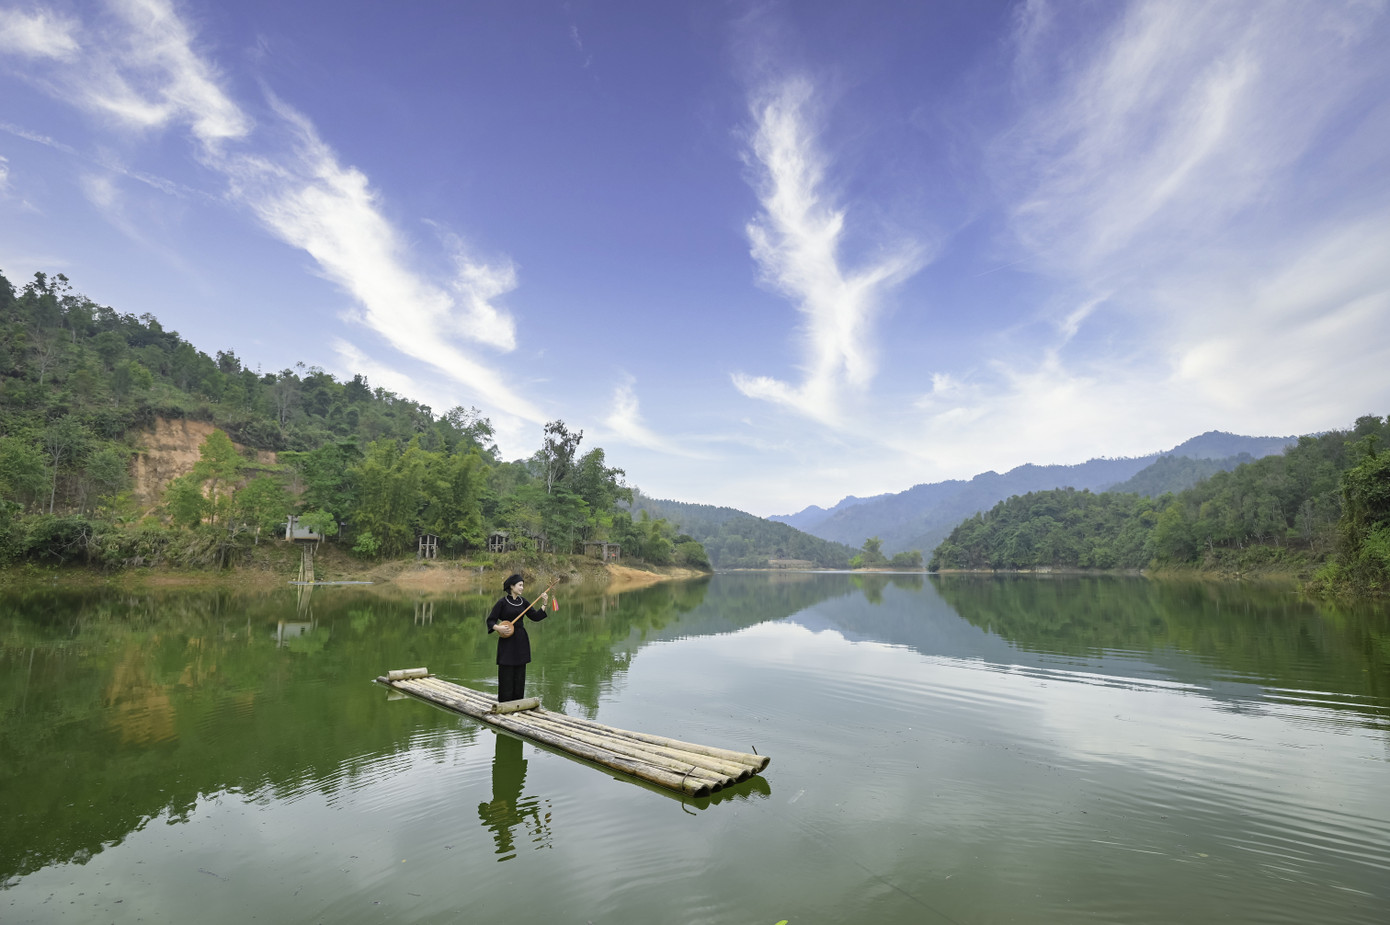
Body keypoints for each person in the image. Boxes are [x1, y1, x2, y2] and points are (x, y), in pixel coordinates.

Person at [486, 573, 549, 702]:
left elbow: (535, 617)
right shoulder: (502, 603)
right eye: (520, 585)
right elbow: (490, 621)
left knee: (520, 672)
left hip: (521, 640)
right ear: (512, 586)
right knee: (506, 672)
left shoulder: (523, 601)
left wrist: (544, 603)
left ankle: (518, 703)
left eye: (522, 585)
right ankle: (504, 703)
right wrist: (499, 628)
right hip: (507, 641)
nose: (522, 588)